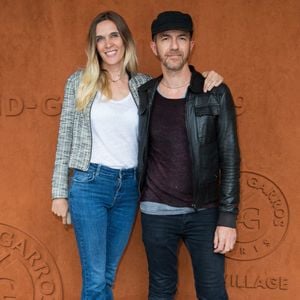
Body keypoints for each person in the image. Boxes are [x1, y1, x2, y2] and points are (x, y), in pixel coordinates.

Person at [51, 10, 224, 300]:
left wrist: (207, 76)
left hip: (130, 188)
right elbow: (64, 137)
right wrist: (59, 192)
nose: (108, 44)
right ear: (93, 46)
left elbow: (180, 83)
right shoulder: (79, 82)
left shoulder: (143, 85)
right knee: (95, 279)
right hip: (90, 184)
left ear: (125, 40)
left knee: (108, 274)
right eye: (100, 39)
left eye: (113, 35)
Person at [137, 11, 240, 300]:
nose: (174, 46)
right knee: (160, 290)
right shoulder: (144, 94)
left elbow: (230, 158)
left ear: (191, 45)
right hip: (156, 212)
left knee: (212, 292)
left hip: (205, 213)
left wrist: (228, 218)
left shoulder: (214, 92)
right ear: (153, 47)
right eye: (165, 39)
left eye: (181, 39)